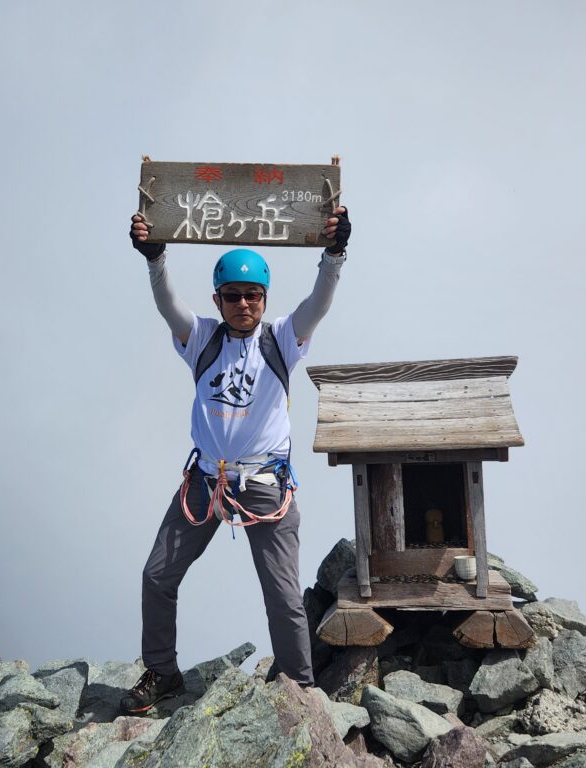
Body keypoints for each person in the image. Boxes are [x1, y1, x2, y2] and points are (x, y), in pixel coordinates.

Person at [120, 205, 352, 714]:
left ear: (265, 298)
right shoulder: (202, 339)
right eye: (232, 295)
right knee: (157, 575)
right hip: (205, 481)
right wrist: (155, 258)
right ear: (217, 300)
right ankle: (162, 673)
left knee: (283, 596)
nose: (243, 303)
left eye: (252, 295)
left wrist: (333, 256)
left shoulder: (282, 339)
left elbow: (318, 304)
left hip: (264, 483)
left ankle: (300, 693)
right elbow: (168, 306)